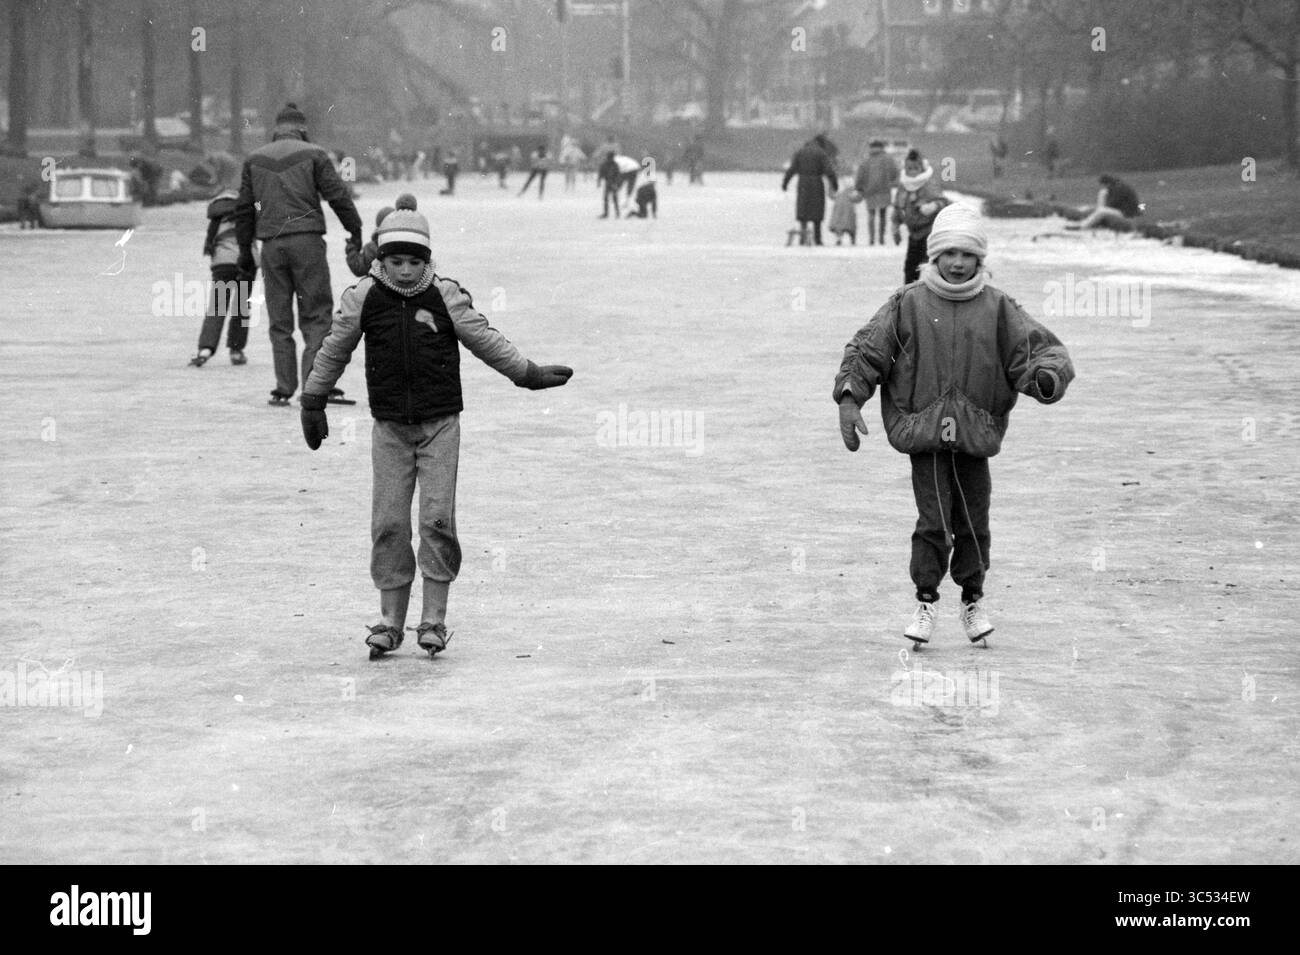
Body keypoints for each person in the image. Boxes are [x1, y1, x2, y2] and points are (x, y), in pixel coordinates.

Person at [296, 202, 574, 660]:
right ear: (380, 261)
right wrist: (313, 398)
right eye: (395, 261)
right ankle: (389, 622)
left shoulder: (443, 295)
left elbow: (484, 338)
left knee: (436, 520)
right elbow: (334, 347)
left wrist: (526, 373)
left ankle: (434, 621)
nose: (405, 271)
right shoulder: (363, 296)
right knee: (388, 523)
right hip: (389, 428)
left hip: (439, 425)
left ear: (429, 261)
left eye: (415, 262)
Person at [833, 204, 1075, 646]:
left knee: (972, 521)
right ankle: (926, 600)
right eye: (949, 254)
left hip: (974, 433)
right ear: (934, 256)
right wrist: (851, 397)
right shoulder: (908, 303)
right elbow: (867, 351)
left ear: (980, 260)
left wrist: (1045, 377)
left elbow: (1040, 352)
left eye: (968, 255)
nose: (958, 263)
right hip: (925, 433)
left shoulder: (998, 307)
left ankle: (972, 598)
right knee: (933, 520)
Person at [235, 102, 363, 407]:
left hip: (271, 245)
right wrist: (354, 228)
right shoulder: (315, 154)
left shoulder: (254, 159)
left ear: (276, 129)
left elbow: (243, 208)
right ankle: (316, 384)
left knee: (280, 319)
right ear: (302, 128)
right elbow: (337, 195)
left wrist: (244, 248)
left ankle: (283, 387)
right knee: (317, 314)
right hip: (306, 242)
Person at [188, 188, 255, 367]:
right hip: (245, 262)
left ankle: (205, 349)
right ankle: (236, 350)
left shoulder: (217, 217)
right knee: (241, 307)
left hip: (222, 263)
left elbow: (211, 243)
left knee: (217, 306)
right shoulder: (249, 210)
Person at [892, 149, 950, 283]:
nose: (912, 171)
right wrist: (895, 229)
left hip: (929, 233)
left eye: (915, 168)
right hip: (913, 235)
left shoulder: (929, 184)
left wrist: (933, 206)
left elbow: (943, 202)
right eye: (909, 168)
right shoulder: (904, 185)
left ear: (921, 168)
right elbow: (897, 208)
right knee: (910, 270)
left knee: (932, 269)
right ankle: (908, 298)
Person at [781, 133, 838, 246]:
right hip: (817, 183)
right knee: (817, 211)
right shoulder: (821, 153)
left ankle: (803, 238)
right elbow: (829, 171)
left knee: (803, 210)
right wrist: (834, 184)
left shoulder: (800, 152)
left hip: (803, 183)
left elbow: (792, 169)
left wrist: (785, 183)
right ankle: (818, 239)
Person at [853, 139, 899, 246]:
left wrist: (859, 187)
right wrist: (891, 182)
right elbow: (895, 173)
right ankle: (881, 238)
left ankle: (872, 239)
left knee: (871, 214)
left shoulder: (866, 160)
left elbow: (860, 175)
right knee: (883, 215)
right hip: (884, 190)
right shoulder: (888, 159)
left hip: (870, 191)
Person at [1069, 174, 1143, 230]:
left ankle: (1082, 227)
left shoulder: (1119, 189)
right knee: (1102, 197)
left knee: (1102, 211)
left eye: (1102, 185)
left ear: (1107, 183)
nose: (1102, 187)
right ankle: (1087, 222)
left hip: (1127, 214)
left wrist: (1099, 208)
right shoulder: (1116, 186)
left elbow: (1112, 204)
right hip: (1122, 210)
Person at [345, 200, 398, 278]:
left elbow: (359, 269)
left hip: (375, 286)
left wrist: (351, 249)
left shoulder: (371, 247)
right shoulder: (403, 244)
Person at [597, 152, 622, 218]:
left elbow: (618, 175)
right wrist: (599, 181)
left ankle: (616, 213)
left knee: (614, 198)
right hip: (609, 182)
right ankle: (607, 213)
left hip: (613, 183)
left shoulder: (614, 165)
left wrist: (617, 183)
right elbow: (601, 173)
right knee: (607, 198)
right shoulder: (606, 164)